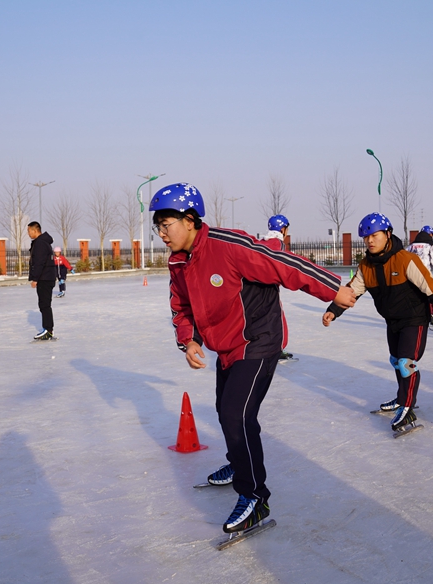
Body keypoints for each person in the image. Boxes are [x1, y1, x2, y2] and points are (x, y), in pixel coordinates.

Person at [151, 183, 355, 534]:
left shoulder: (228, 246)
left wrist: (332, 287)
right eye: (158, 227)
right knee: (225, 410)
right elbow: (181, 305)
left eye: (166, 225)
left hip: (259, 340)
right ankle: (238, 463)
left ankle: (255, 497)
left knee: (237, 414)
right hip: (227, 346)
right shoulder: (179, 261)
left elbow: (283, 263)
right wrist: (189, 339)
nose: (162, 234)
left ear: (190, 220)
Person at [323, 213, 433, 433]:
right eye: (366, 237)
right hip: (392, 321)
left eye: (374, 235)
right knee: (396, 360)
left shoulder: (405, 259)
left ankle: (408, 407)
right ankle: (401, 399)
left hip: (414, 319)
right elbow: (352, 291)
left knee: (407, 362)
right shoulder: (366, 266)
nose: (369, 241)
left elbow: (432, 288)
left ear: (388, 234)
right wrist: (333, 310)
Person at [260, 214, 296, 361]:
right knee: (278, 321)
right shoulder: (278, 244)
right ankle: (277, 349)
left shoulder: (262, 242)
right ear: (283, 229)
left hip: (253, 289)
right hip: (269, 289)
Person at [27, 222, 56, 340]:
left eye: (29, 231)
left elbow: (39, 262)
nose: (28, 233)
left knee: (44, 305)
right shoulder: (43, 242)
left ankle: (48, 330)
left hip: (44, 278)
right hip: (47, 277)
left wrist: (35, 278)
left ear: (35, 230)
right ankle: (48, 330)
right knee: (45, 304)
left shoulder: (40, 243)